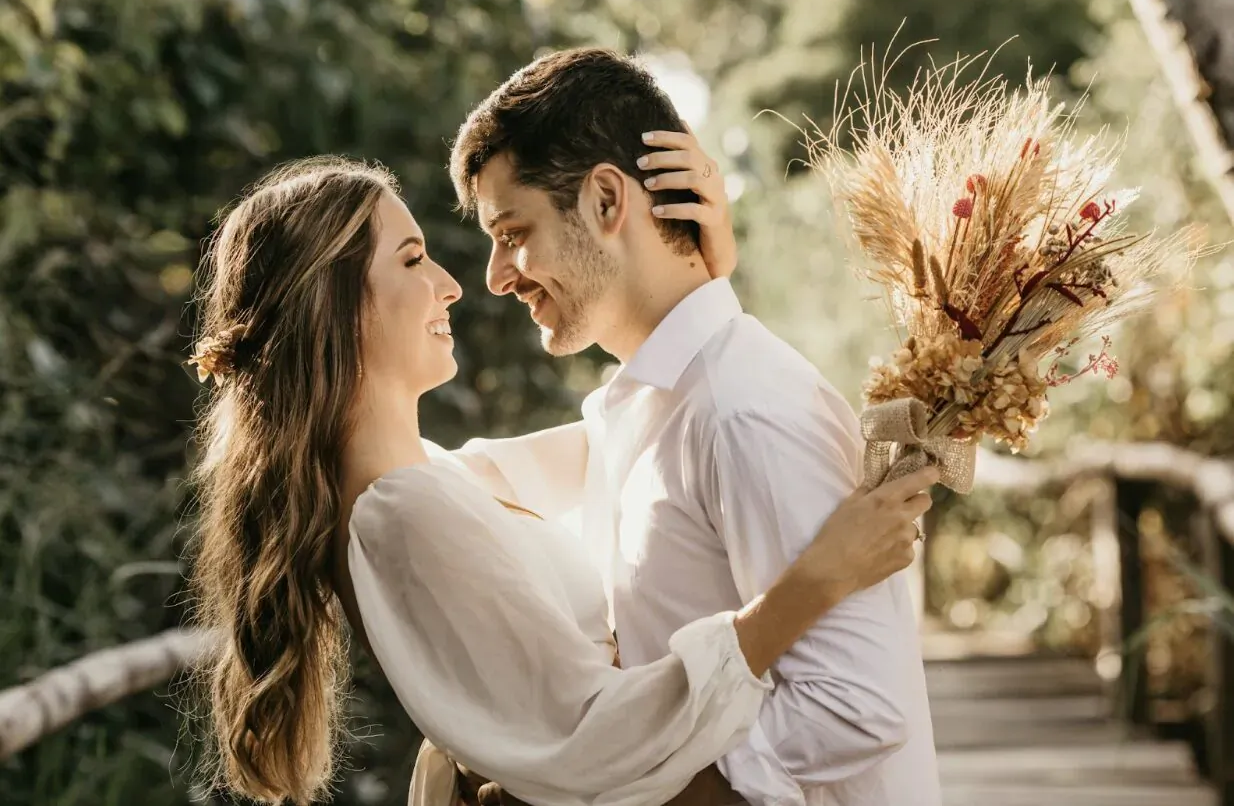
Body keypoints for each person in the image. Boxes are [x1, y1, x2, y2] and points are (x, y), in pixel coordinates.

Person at [186, 155, 936, 806]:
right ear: (334, 305)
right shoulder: (400, 514)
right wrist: (815, 583)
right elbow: (592, 736)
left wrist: (695, 281)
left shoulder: (437, 480)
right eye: (412, 260)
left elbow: (648, 422)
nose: (452, 285)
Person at [446, 48, 942, 806]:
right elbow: (460, 481)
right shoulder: (642, 403)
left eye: (512, 231)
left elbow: (857, 706)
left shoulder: (745, 411)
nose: (495, 274)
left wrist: (605, 791)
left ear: (607, 201)